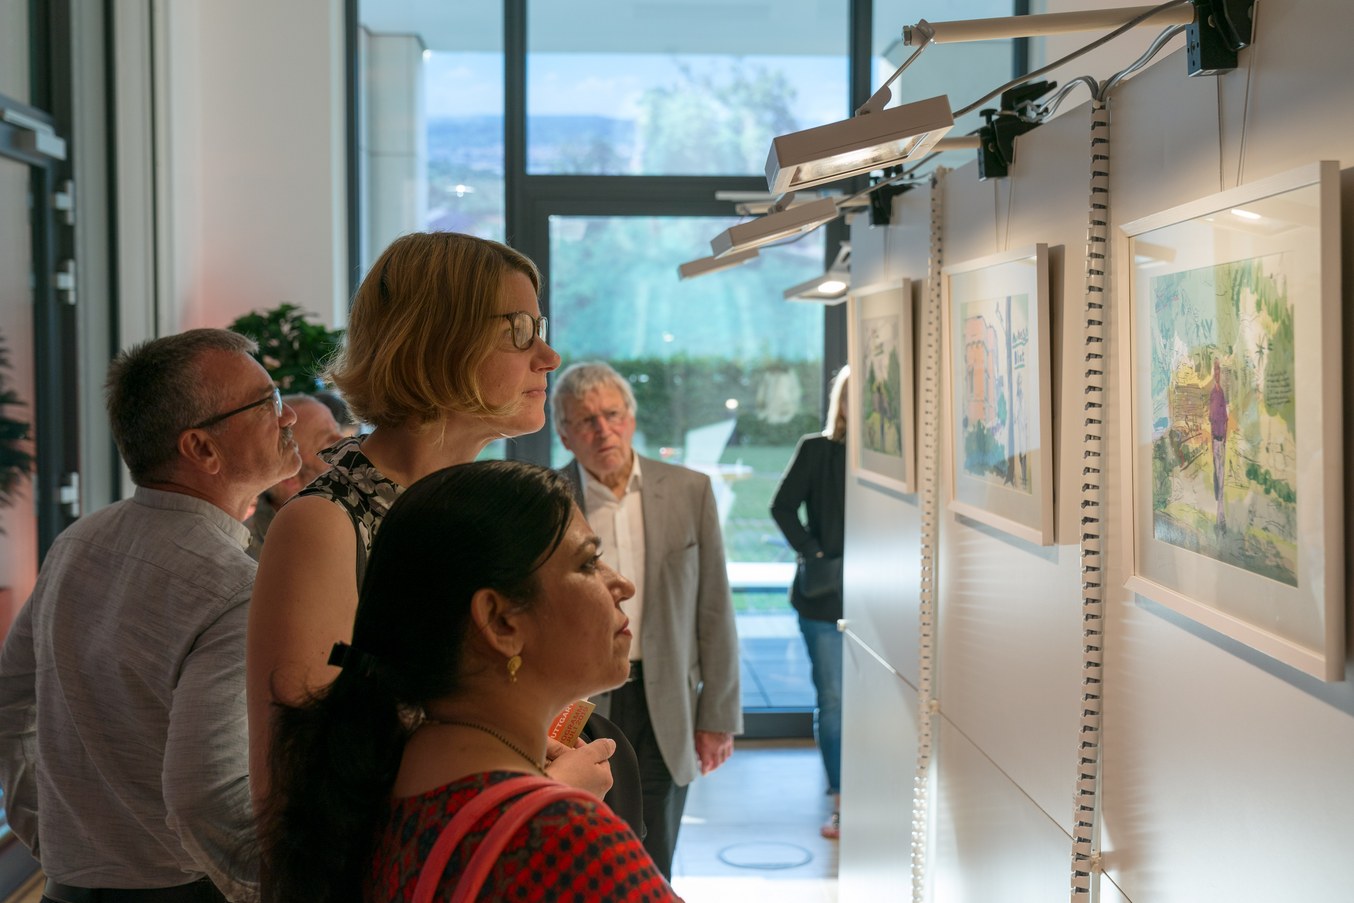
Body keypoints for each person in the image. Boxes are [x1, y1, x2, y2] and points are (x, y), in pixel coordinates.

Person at [247, 232, 627, 821]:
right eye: (519, 331)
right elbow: (298, 788)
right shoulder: (324, 525)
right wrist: (543, 793)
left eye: (540, 328)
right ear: (437, 340)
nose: (549, 356)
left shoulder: (480, 503)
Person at [260, 461, 679, 902]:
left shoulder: (386, 777)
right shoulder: (562, 837)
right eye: (589, 563)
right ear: (500, 622)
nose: (624, 585)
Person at [0, 328, 301, 903]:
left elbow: (8, 701)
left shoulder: (80, 540)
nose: (288, 417)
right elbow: (205, 795)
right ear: (202, 449)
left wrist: (55, 840)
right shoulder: (233, 588)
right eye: (268, 403)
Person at [552, 360, 742, 879]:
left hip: (668, 702)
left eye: (613, 415)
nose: (603, 430)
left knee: (654, 855)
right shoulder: (547, 499)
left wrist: (718, 715)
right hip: (582, 700)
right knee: (585, 846)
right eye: (585, 420)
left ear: (631, 419)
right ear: (565, 435)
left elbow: (714, 606)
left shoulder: (689, 490)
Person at [770, 364, 848, 840]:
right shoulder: (816, 450)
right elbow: (781, 506)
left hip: (888, 599)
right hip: (825, 598)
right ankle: (841, 802)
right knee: (834, 702)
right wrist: (815, 552)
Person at [245, 393, 343, 558]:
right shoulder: (252, 558)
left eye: (338, 431)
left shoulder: (355, 522)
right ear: (290, 478)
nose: (349, 444)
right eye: (330, 444)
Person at [1209, 358, 1228, 528]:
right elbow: (1212, 419)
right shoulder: (1213, 394)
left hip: (1222, 442)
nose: (1217, 373)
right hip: (1216, 440)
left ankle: (1220, 517)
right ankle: (1220, 517)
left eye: (1219, 370)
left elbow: (1225, 418)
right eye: (1215, 370)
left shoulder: (1221, 393)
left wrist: (1225, 440)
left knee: (1221, 479)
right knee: (1218, 477)